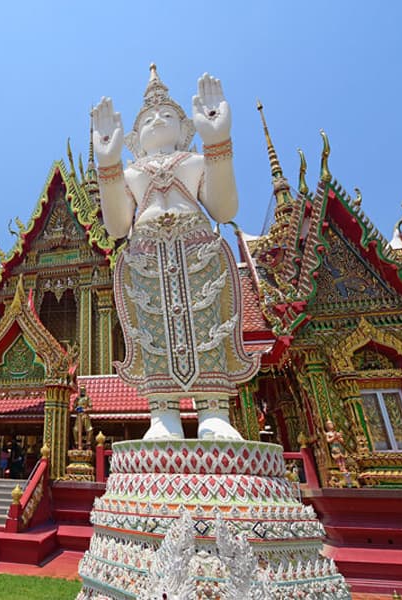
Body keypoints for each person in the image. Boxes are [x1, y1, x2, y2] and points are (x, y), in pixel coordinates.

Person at [92, 66, 258, 440]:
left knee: (207, 327)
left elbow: (223, 209)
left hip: (195, 248)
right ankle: (162, 412)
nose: (158, 120)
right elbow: (117, 226)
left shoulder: (195, 162)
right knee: (154, 333)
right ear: (134, 138)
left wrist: (217, 142)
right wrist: (107, 164)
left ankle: (213, 412)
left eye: (168, 115)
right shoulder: (133, 171)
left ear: (186, 130)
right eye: (149, 117)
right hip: (147, 254)